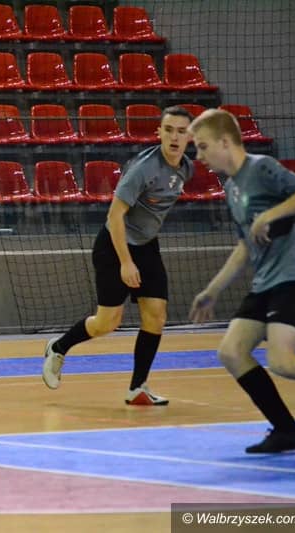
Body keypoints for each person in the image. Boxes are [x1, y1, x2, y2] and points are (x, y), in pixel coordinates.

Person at [188, 108, 295, 453]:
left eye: (202, 146)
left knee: (282, 361)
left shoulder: (261, 168)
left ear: (225, 141)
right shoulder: (231, 189)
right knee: (231, 352)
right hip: (265, 283)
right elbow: (245, 248)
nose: (199, 156)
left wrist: (270, 214)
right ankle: (287, 431)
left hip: (293, 277)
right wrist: (212, 291)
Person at [42, 106, 194, 405]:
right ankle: (58, 347)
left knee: (156, 315)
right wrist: (126, 262)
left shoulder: (186, 168)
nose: (174, 137)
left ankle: (137, 387)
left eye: (181, 131)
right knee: (107, 323)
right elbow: (114, 217)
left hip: (147, 245)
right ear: (159, 133)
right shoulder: (143, 169)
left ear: (190, 136)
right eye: (168, 130)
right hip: (114, 244)